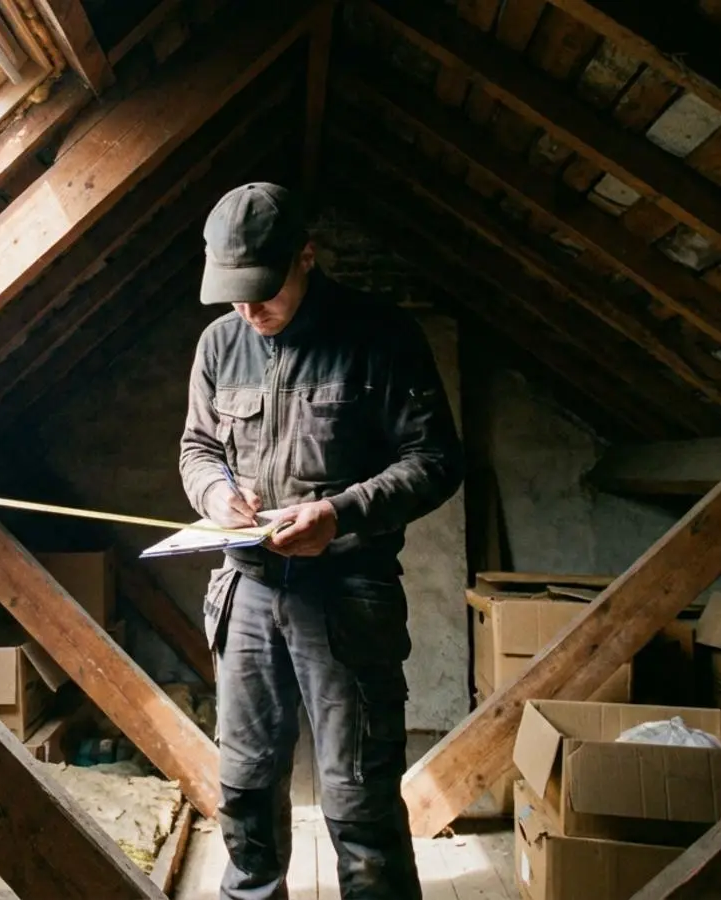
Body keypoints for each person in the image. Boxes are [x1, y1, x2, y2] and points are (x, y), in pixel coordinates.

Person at [178, 182, 464, 900]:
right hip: (246, 593)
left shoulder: (381, 335)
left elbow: (435, 462)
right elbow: (197, 448)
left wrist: (338, 513)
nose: (250, 311)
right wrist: (217, 494)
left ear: (307, 257)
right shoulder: (219, 344)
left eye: (264, 291)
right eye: (235, 296)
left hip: (347, 596)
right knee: (243, 787)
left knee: (359, 798)